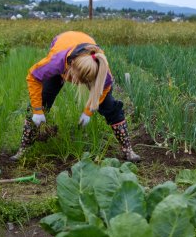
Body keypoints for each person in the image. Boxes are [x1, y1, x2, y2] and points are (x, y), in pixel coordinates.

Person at [10, 31, 140, 162]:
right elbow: (33, 77)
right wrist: (37, 110)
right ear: (70, 66)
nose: (78, 84)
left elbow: (104, 88)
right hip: (63, 46)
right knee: (42, 99)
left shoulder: (100, 68)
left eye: (85, 81)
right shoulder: (56, 62)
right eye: (76, 79)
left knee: (110, 106)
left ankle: (127, 149)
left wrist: (88, 112)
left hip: (86, 57)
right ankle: (23, 149)